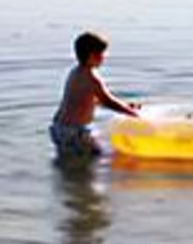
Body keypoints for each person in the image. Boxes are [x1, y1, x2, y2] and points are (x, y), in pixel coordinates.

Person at [50, 31, 138, 160]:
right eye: (101, 54)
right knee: (101, 158)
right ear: (92, 56)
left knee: (69, 160)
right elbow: (108, 101)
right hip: (75, 132)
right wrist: (132, 114)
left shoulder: (75, 73)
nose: (103, 58)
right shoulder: (92, 78)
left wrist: (125, 106)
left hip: (58, 128)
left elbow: (89, 100)